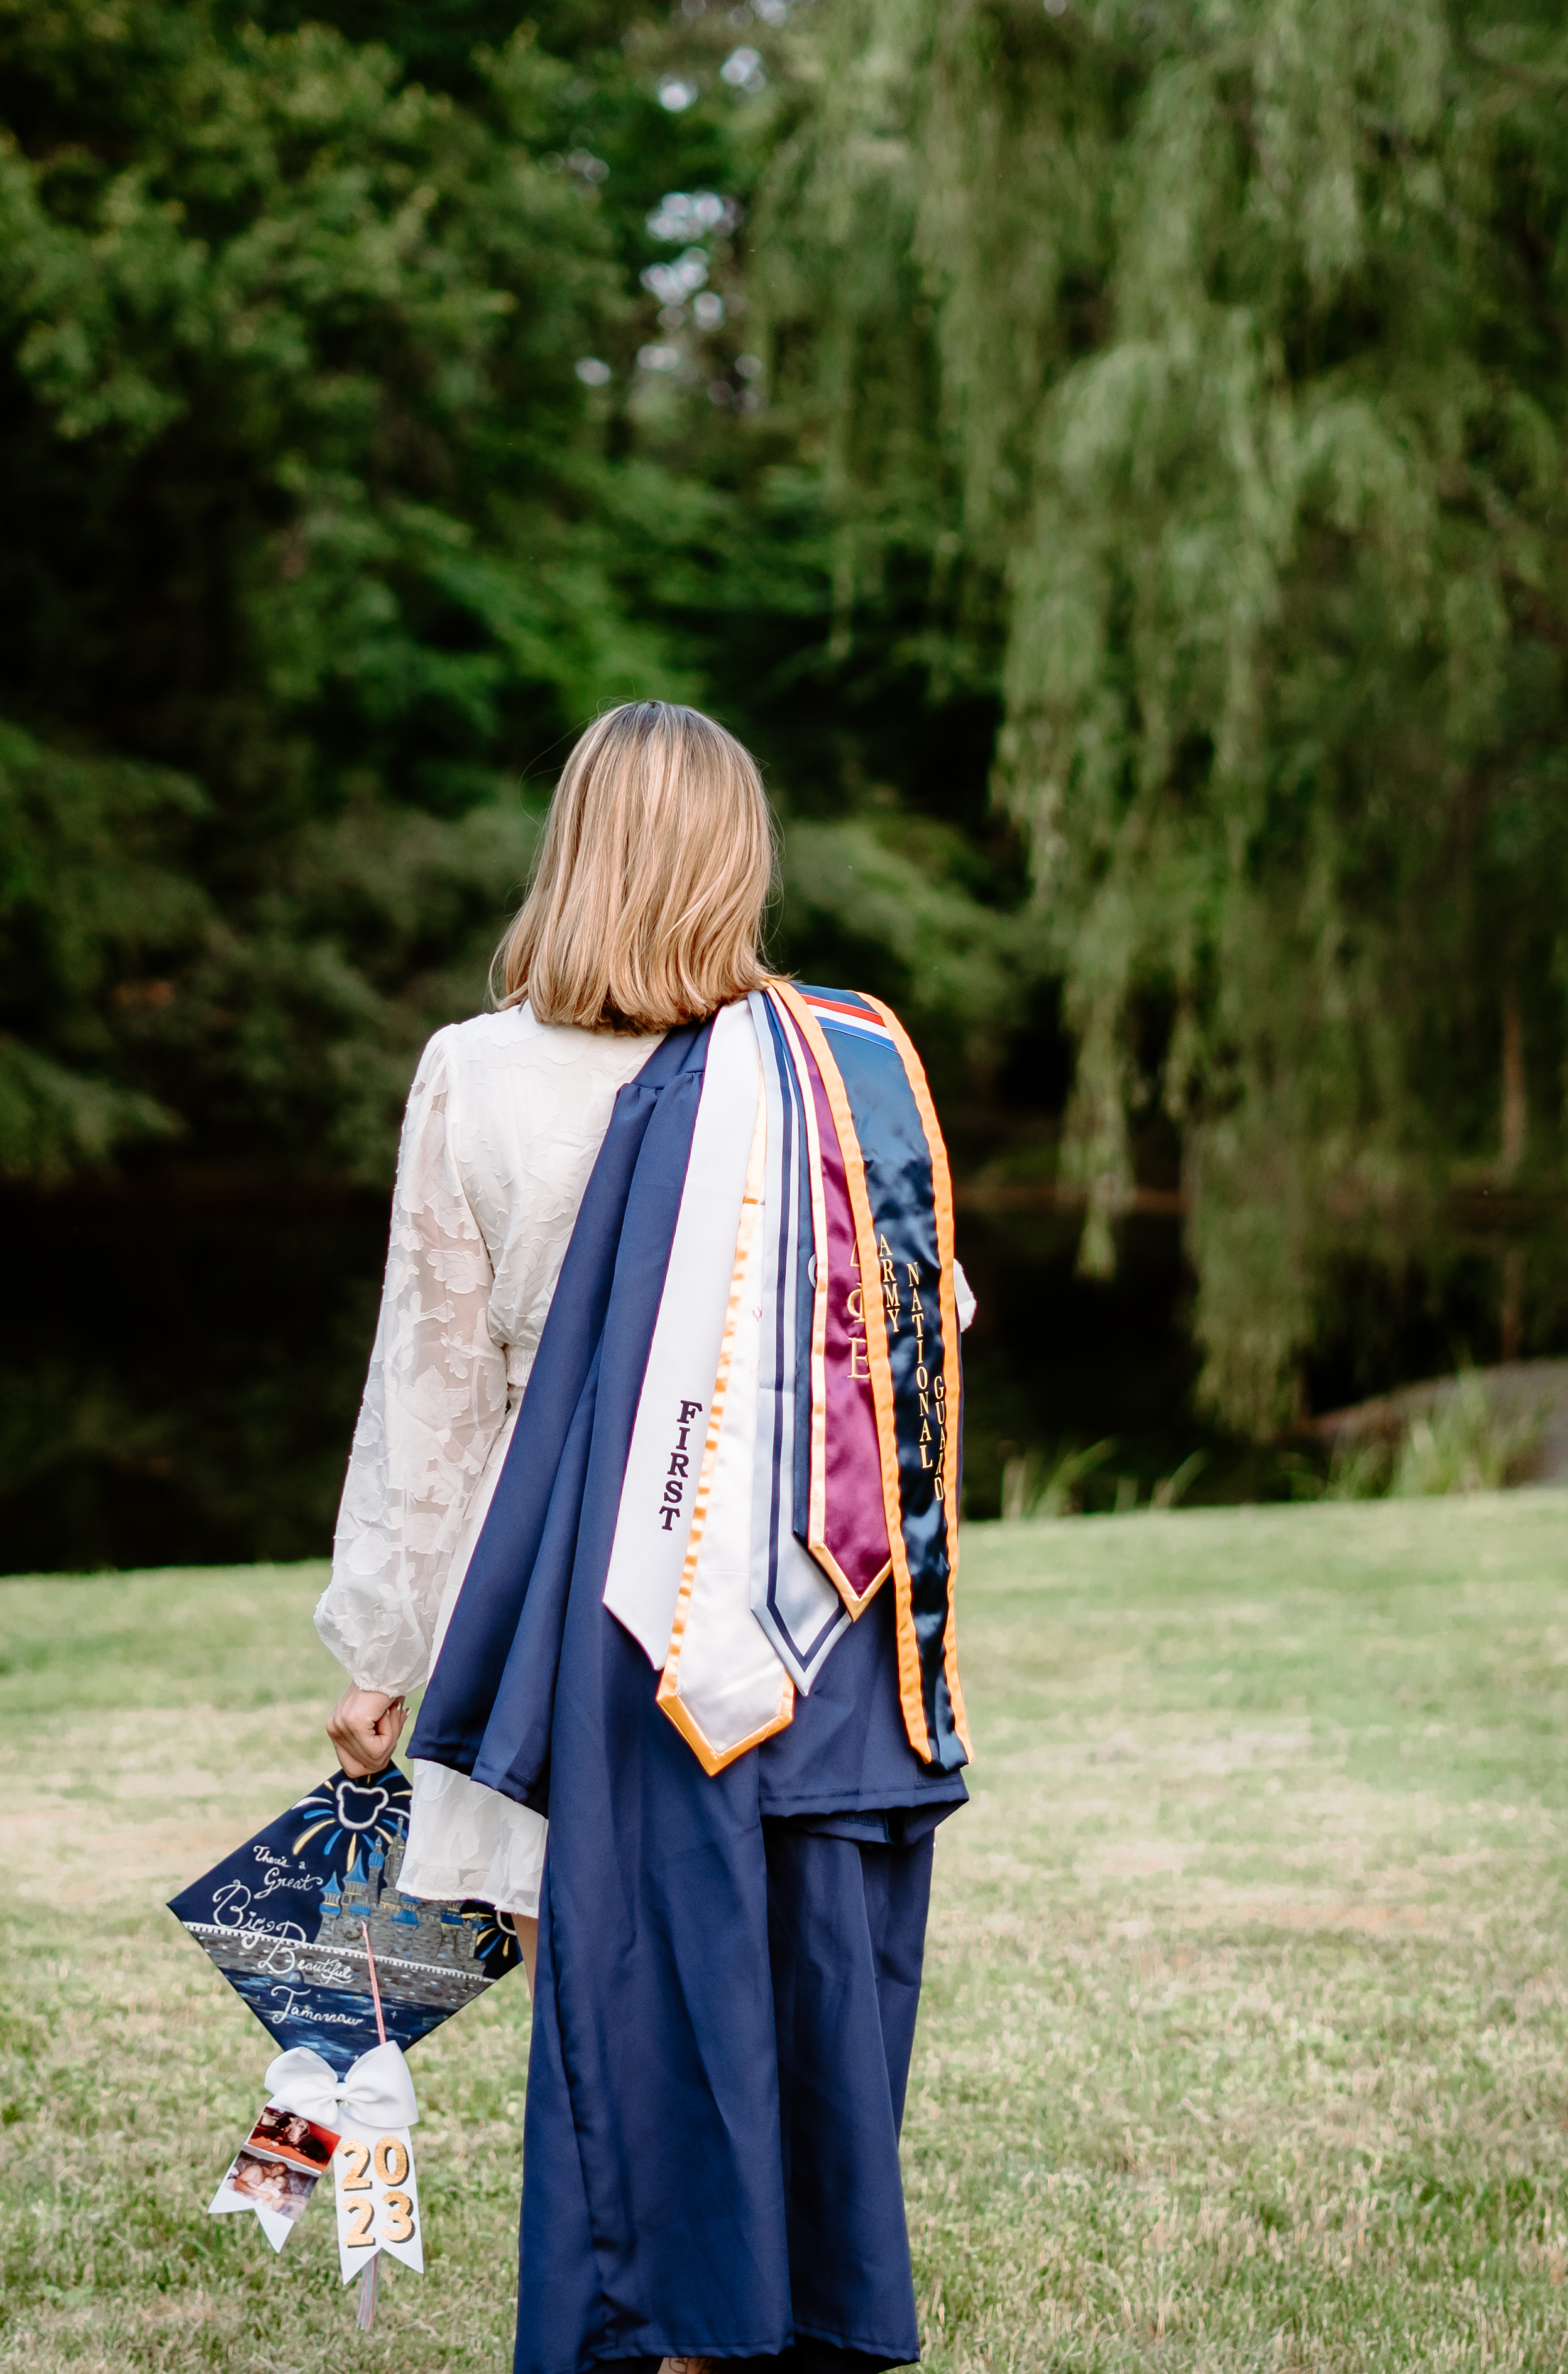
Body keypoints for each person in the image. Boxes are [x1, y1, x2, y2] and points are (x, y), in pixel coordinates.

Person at [314, 700, 973, 2374]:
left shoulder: (477, 1073)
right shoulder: (833, 1075)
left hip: (587, 1630)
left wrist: (388, 1658)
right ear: (737, 862)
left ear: (574, 848)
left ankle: (667, 2338)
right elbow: (925, 1333)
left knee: (619, 2031)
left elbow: (439, 1393)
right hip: (804, 1618)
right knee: (794, 2020)